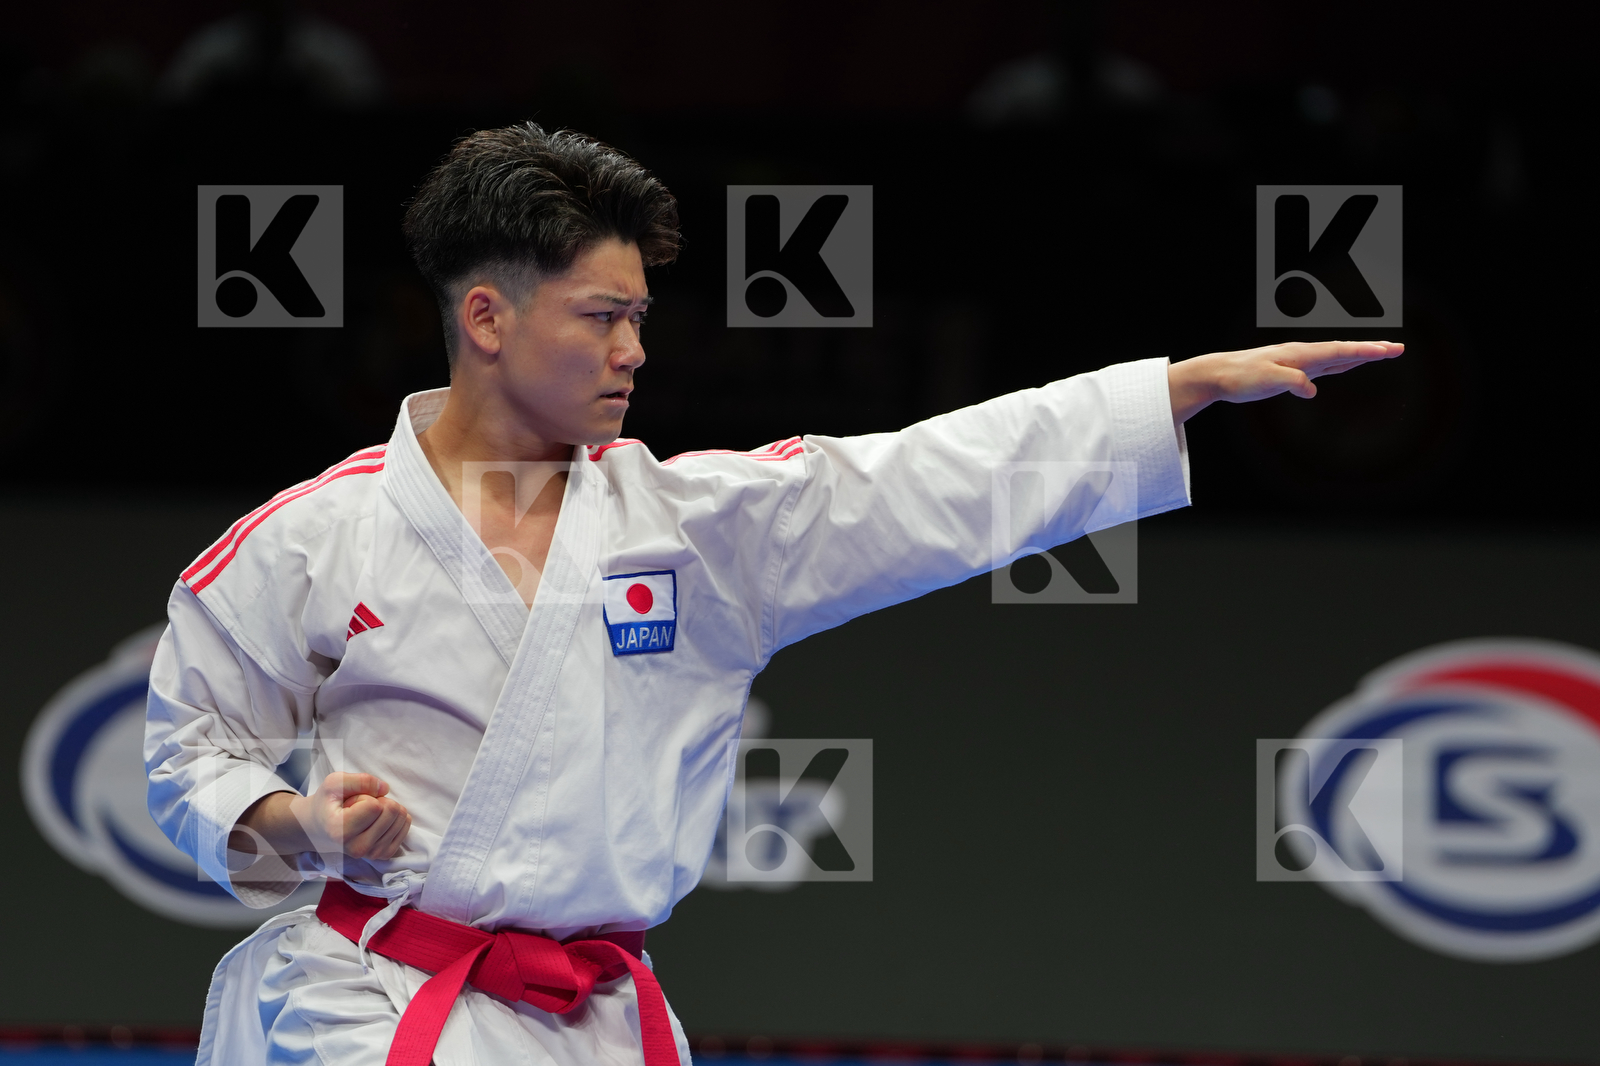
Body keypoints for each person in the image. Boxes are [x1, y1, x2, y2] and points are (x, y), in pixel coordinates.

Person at [145, 122, 1401, 1066]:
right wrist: (292, 821)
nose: (634, 350)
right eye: (601, 316)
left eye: (639, 317)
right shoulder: (317, 536)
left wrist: (1172, 391)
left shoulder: (703, 532)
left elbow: (926, 478)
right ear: (486, 315)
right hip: (368, 1005)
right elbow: (189, 743)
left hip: (593, 1016)